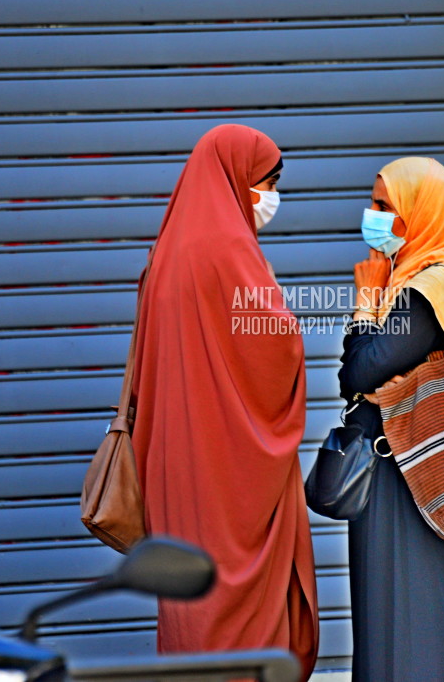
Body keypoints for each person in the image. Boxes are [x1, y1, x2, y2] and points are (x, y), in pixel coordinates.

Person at [129, 124, 319, 679]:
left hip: (175, 461)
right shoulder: (231, 249)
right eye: (268, 181)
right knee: (240, 602)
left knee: (193, 598)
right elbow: (276, 348)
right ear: (237, 178)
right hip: (230, 468)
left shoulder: (166, 252)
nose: (271, 196)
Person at [338, 157, 444, 681]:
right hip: (406, 467)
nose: (372, 216)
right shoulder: (425, 281)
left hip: (407, 470)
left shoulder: (429, 289)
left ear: (422, 214)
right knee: (397, 604)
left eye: (386, 206)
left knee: (416, 608)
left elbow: (361, 370)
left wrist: (365, 300)